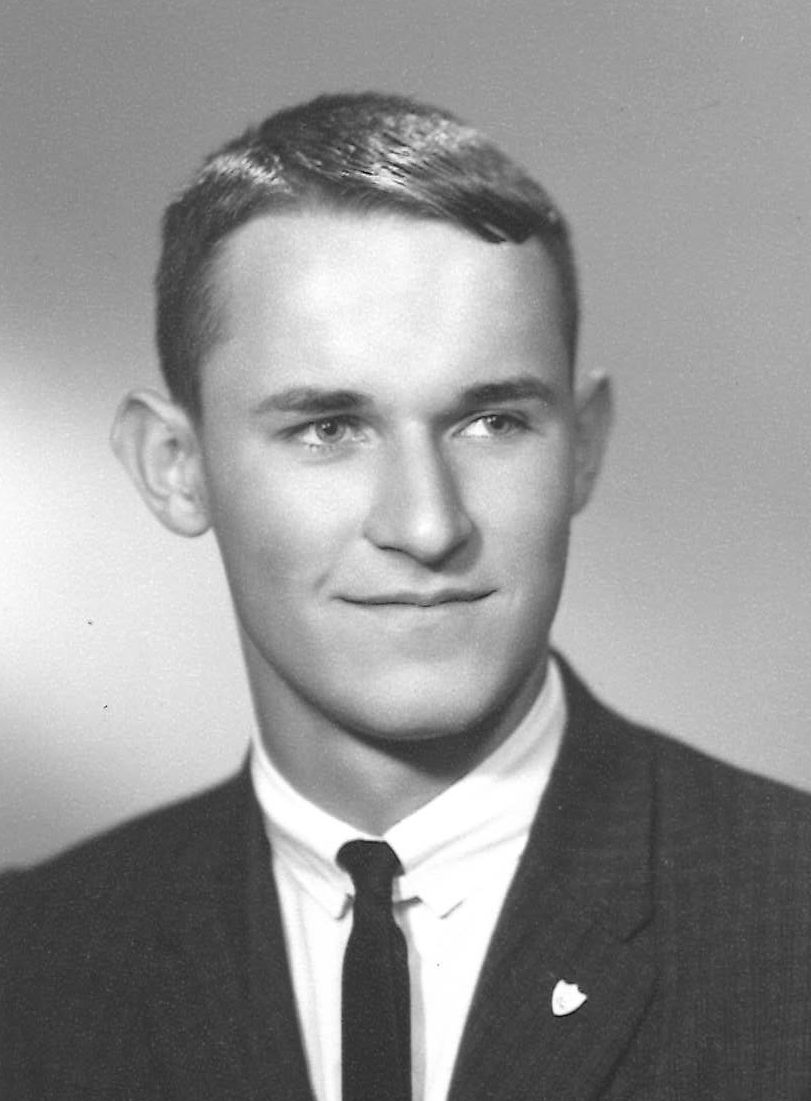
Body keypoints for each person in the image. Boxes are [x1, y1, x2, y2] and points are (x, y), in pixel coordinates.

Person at [2, 92, 811, 1101]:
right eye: (328, 429)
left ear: (583, 446)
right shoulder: (30, 968)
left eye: (493, 423)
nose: (427, 526)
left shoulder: (788, 917)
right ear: (175, 466)